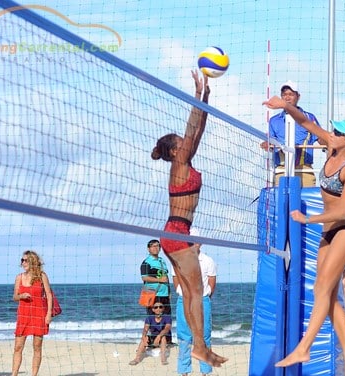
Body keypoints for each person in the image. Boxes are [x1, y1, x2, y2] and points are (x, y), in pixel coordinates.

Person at [263, 94, 345, 375]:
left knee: (322, 287)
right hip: (328, 231)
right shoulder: (332, 148)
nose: (329, 133)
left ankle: (305, 346)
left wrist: (309, 218)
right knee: (326, 292)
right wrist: (285, 106)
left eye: (336, 132)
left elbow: (344, 210)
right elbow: (304, 122)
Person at [151, 70, 226, 367]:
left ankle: (200, 348)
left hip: (175, 232)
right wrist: (197, 97)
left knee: (190, 293)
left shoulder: (185, 160)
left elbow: (198, 130)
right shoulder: (180, 163)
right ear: (173, 151)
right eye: (181, 142)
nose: (187, 142)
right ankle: (199, 347)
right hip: (177, 233)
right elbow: (192, 125)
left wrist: (206, 99)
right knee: (196, 292)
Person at [260, 81, 322, 187]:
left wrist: (333, 142)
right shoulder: (274, 120)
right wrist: (267, 145)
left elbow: (321, 140)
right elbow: (270, 143)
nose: (287, 98)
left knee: (305, 202)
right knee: (281, 202)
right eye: (284, 95)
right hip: (281, 170)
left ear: (298, 96)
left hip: (303, 169)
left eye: (291, 94)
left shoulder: (309, 118)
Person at [173, 247, 217, 376]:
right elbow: (176, 279)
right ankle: (184, 372)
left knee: (204, 337)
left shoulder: (208, 260)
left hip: (202, 300)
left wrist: (203, 297)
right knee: (184, 337)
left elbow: (212, 282)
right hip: (184, 300)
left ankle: (205, 372)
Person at [12, 250, 53, 376]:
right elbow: (14, 296)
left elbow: (49, 295)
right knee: (18, 347)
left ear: (32, 261)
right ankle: (14, 374)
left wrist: (49, 314)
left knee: (37, 347)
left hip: (39, 314)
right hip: (23, 315)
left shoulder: (42, 276)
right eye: (22, 260)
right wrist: (21, 295)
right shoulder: (19, 277)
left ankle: (34, 375)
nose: (23, 262)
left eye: (25, 260)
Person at [129, 297, 172, 366]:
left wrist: (159, 336)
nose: (158, 309)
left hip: (164, 339)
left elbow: (167, 328)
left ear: (163, 308)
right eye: (156, 307)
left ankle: (163, 359)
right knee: (144, 338)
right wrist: (144, 336)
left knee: (163, 337)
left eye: (160, 307)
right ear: (153, 309)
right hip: (153, 338)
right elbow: (145, 329)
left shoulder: (167, 317)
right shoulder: (149, 318)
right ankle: (137, 359)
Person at [141, 239, 171, 315]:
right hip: (152, 294)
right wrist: (160, 280)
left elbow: (166, 277)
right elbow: (144, 278)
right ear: (148, 249)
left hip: (164, 294)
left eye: (157, 246)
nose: (155, 248)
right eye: (153, 246)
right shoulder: (146, 262)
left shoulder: (162, 261)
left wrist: (169, 292)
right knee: (152, 320)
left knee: (166, 319)